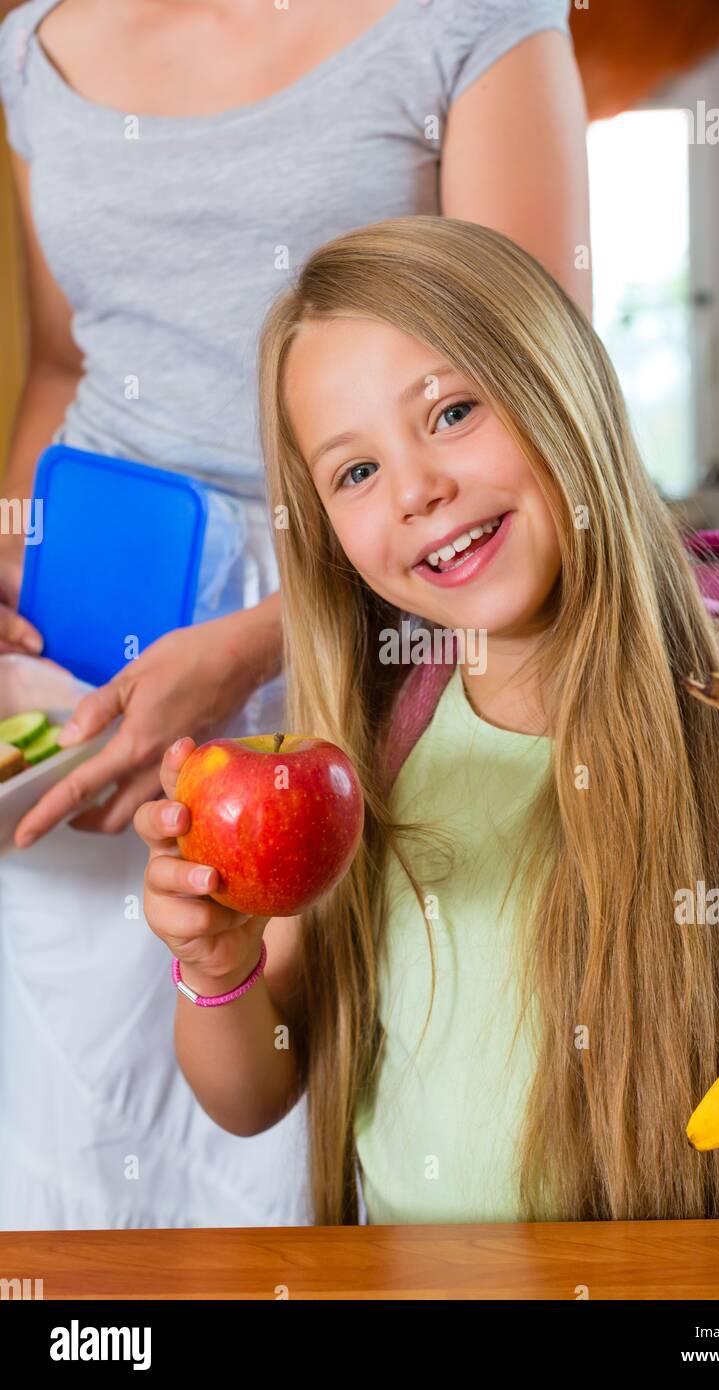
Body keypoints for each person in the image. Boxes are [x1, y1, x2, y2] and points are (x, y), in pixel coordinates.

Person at [135, 215, 719, 1224]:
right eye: (354, 472)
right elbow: (254, 1093)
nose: (419, 489)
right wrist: (215, 967)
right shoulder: (362, 762)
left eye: (450, 413)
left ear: (558, 383)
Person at [0, 0, 591, 1228]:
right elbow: (65, 363)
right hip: (92, 613)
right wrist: (14, 560)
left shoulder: (463, 18)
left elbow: (535, 358)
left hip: (357, 612)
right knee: (67, 1120)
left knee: (308, 1117)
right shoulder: (29, 47)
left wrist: (262, 640)